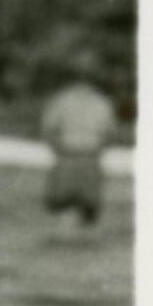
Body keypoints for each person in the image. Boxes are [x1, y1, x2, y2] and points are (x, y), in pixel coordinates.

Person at [38, 71, 115, 231]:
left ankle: (77, 234)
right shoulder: (97, 102)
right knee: (66, 200)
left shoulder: (65, 100)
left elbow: (49, 128)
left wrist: (58, 148)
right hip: (75, 153)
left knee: (82, 202)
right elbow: (108, 132)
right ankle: (69, 233)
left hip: (81, 154)